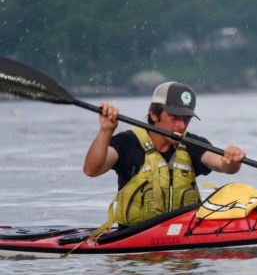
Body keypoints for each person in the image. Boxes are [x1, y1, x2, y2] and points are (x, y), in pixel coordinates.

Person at [83, 81, 246, 227]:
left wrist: (232, 160)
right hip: (134, 243)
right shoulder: (128, 143)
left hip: (184, 239)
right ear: (154, 114)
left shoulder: (192, 144)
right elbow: (92, 170)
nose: (181, 125)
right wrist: (106, 130)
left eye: (186, 118)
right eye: (174, 117)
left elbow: (223, 165)